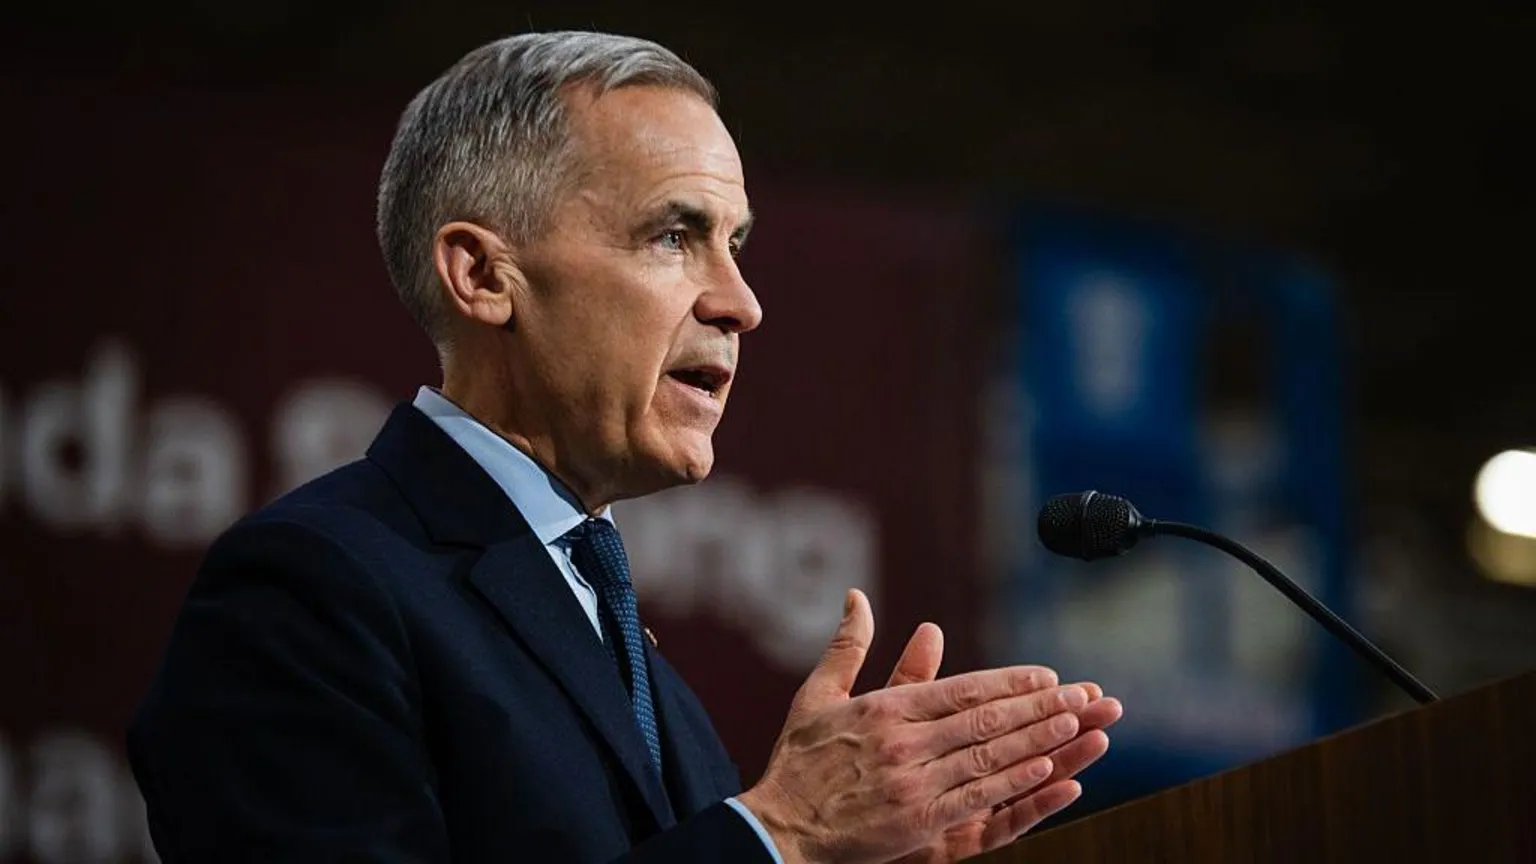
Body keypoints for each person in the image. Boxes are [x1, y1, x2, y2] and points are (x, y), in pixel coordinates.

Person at [127, 30, 1123, 863]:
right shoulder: (312, 591)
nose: (742, 303)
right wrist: (778, 834)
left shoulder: (643, 676)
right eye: (674, 236)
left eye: (736, 243)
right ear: (483, 276)